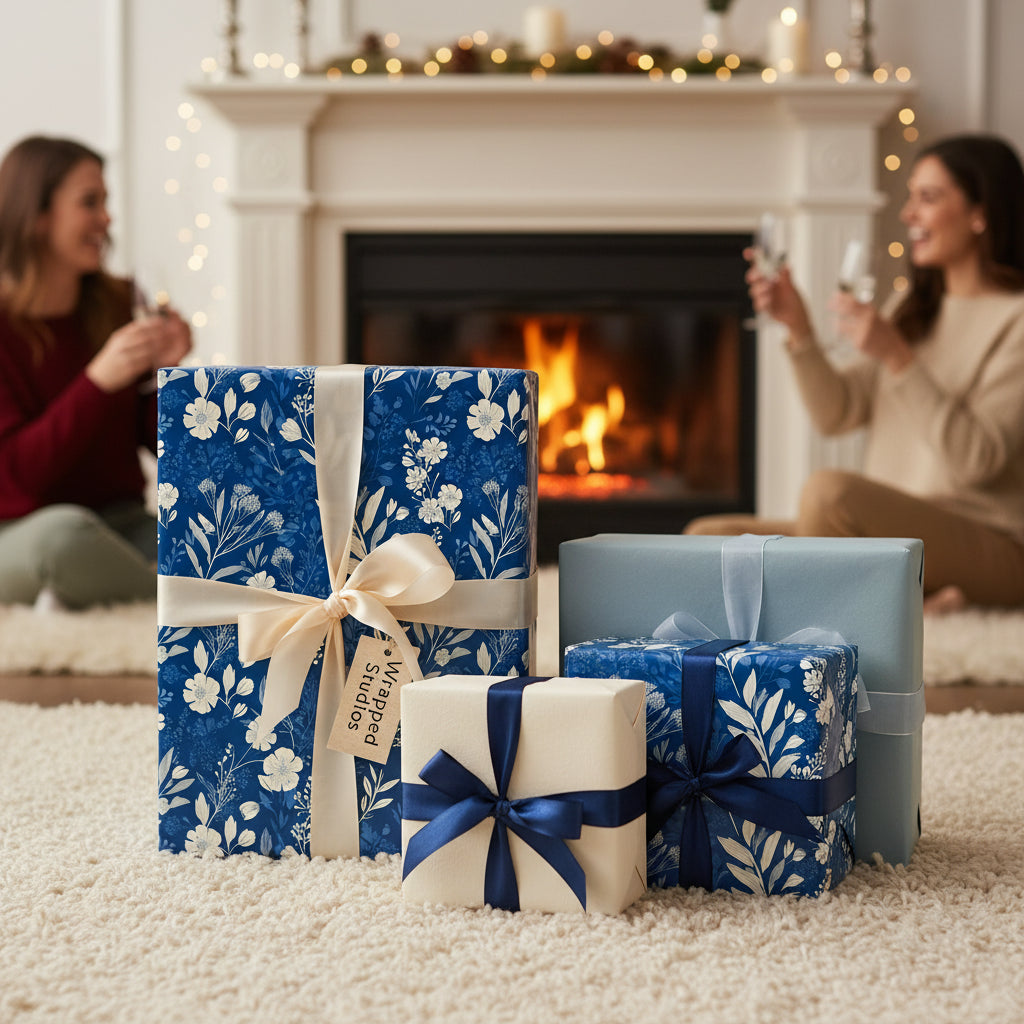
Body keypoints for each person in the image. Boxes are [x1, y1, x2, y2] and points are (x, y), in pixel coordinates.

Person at [686, 133, 1024, 610]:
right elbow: (838, 413)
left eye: (927, 198)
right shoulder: (914, 306)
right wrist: (798, 326)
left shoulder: (1015, 320)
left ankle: (861, 626)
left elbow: (977, 459)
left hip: (992, 545)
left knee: (829, 494)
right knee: (707, 538)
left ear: (979, 213)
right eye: (911, 198)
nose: (908, 214)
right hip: (893, 537)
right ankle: (908, 605)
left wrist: (899, 358)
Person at [0, 135, 192, 609]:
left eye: (105, 202)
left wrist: (169, 379)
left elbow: (163, 445)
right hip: (24, 530)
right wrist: (97, 383)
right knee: (63, 540)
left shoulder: (119, 301)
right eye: (90, 202)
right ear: (37, 216)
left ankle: (97, 591)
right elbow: (16, 478)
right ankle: (187, 610)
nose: (106, 219)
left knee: (205, 538)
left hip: (120, 521)